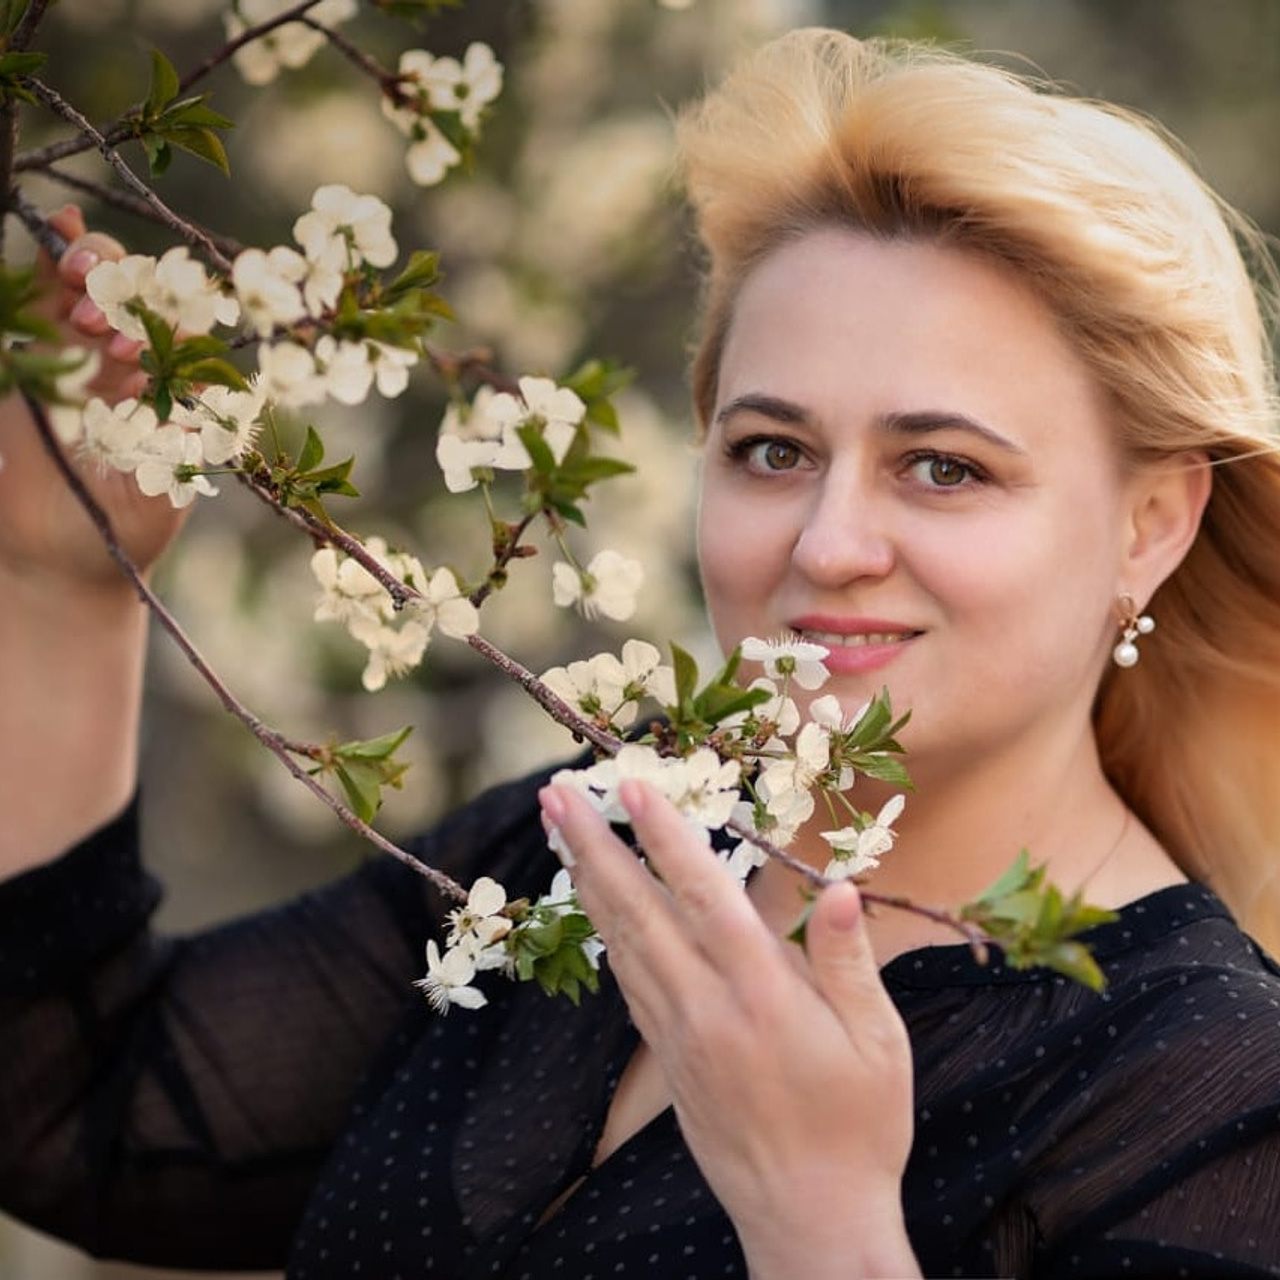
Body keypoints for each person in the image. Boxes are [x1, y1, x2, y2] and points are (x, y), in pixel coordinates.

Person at [3, 25, 1280, 1279]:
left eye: (943, 467)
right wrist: (67, 580)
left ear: (1148, 523)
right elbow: (80, 1110)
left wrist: (818, 1224)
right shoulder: (592, 846)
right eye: (771, 450)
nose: (829, 543)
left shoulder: (1214, 1098)